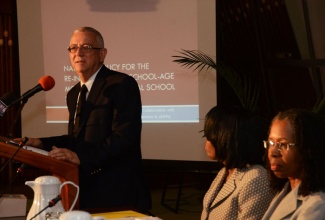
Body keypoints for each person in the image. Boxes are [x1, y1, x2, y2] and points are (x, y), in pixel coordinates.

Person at [20, 26, 151, 212]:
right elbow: (76, 139)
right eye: (73, 48)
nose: (79, 53)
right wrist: (40, 143)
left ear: (102, 54)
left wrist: (80, 157)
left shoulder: (122, 84)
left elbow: (125, 137)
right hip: (85, 189)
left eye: (87, 47)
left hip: (118, 190)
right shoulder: (74, 94)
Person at [201, 105, 275, 220]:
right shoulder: (225, 171)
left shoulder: (256, 178)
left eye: (209, 136)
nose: (205, 142)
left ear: (225, 138)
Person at [262, 109, 325, 219]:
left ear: (306, 150)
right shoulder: (284, 191)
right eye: (271, 143)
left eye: (283, 144)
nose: (273, 152)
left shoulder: (318, 205)